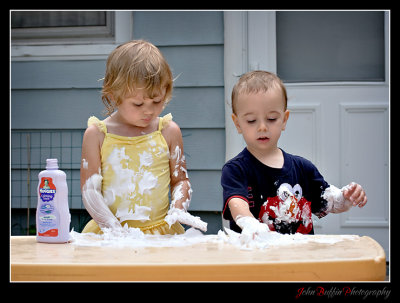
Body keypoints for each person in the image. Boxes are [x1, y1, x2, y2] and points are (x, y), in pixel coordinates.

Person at [80, 40, 206, 235]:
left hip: (161, 232)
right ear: (113, 96)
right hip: (110, 233)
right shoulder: (97, 135)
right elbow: (90, 191)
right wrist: (113, 229)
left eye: (157, 101)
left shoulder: (168, 131)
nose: (149, 111)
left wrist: (178, 209)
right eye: (138, 104)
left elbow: (180, 180)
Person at [221, 70, 367, 236]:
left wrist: (346, 197)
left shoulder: (302, 168)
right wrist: (250, 223)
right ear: (237, 123)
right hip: (255, 256)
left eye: (271, 118)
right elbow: (237, 203)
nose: (262, 127)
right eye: (251, 120)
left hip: (299, 257)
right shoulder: (235, 170)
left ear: (284, 119)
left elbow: (329, 202)